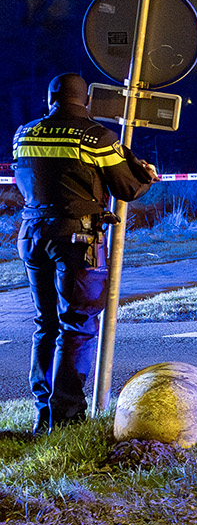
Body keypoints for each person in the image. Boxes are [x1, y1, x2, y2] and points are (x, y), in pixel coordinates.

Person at [13, 73, 156, 431]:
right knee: (76, 325)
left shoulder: (23, 134)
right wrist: (146, 177)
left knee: (45, 323)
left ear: (50, 99)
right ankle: (67, 418)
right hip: (77, 239)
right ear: (87, 101)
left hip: (31, 234)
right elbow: (125, 188)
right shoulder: (96, 137)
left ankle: (43, 414)